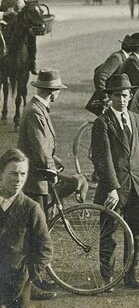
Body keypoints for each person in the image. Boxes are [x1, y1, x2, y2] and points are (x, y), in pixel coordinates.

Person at [91, 75, 139, 289]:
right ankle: (107, 278)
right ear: (110, 97)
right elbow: (103, 159)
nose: (121, 99)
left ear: (130, 96)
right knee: (109, 234)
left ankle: (130, 275)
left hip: (136, 185)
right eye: (117, 95)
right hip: (113, 189)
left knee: (135, 232)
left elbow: (138, 152)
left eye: (125, 95)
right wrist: (112, 188)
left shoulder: (135, 119)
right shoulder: (102, 122)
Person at [16, 69, 66, 301]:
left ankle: (35, 278)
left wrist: (55, 162)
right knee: (33, 235)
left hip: (39, 180)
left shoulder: (38, 110)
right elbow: (37, 149)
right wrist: (51, 169)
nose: (58, 94)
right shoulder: (35, 112)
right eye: (57, 90)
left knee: (37, 232)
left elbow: (44, 147)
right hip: (35, 182)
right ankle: (28, 285)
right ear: (52, 91)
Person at [0, 148, 53, 308]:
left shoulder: (31, 209)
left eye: (23, 174)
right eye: (13, 173)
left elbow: (45, 249)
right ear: (1, 173)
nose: (18, 179)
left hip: (17, 286)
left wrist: (27, 275)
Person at [87, 34, 131, 116]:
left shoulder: (123, 58)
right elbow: (100, 75)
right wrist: (105, 97)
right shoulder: (117, 58)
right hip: (109, 102)